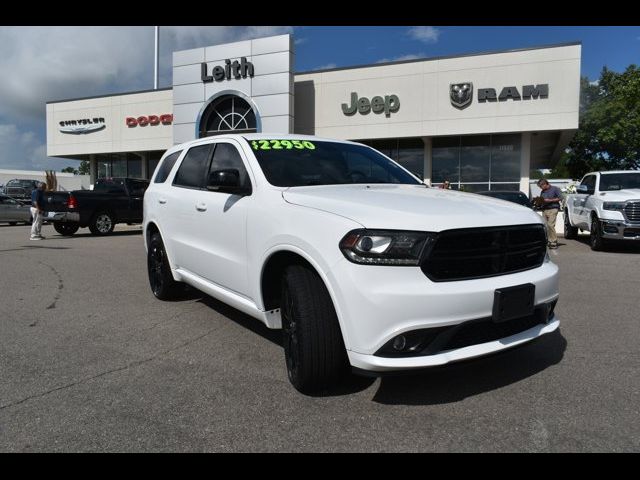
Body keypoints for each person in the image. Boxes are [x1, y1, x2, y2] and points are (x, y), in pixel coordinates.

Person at [537, 178, 563, 249]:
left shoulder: (555, 189)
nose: (540, 188)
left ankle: (554, 242)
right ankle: (549, 241)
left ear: (545, 184)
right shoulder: (543, 191)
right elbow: (543, 200)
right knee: (546, 226)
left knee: (550, 225)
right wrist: (538, 202)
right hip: (545, 209)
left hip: (553, 208)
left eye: (540, 186)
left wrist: (550, 200)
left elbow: (561, 197)